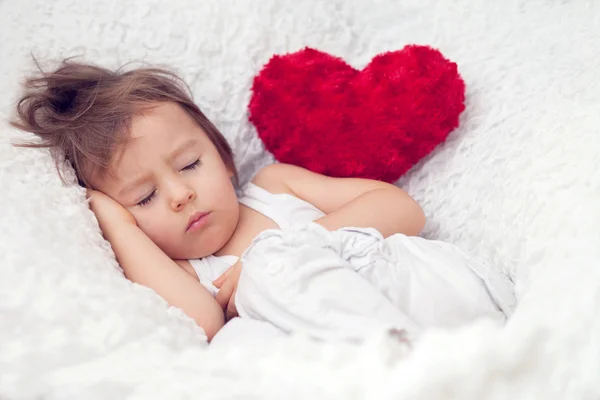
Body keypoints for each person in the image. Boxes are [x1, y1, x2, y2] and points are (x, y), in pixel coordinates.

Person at [11, 60, 515, 342]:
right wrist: (114, 223)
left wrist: (296, 249)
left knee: (272, 267)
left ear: (225, 158)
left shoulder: (275, 188)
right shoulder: (193, 277)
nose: (181, 194)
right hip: (373, 348)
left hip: (437, 287)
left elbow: (404, 211)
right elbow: (203, 324)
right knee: (239, 342)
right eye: (144, 198)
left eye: (190, 165)